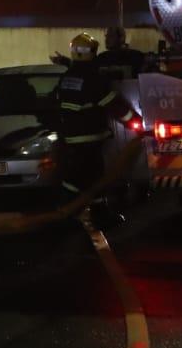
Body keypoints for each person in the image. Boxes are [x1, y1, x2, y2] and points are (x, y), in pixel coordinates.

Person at [56, 31, 132, 219]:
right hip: (90, 137)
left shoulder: (67, 77)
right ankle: (88, 216)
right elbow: (115, 105)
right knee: (92, 178)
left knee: (78, 177)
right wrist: (136, 122)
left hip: (70, 137)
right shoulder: (94, 78)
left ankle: (78, 214)